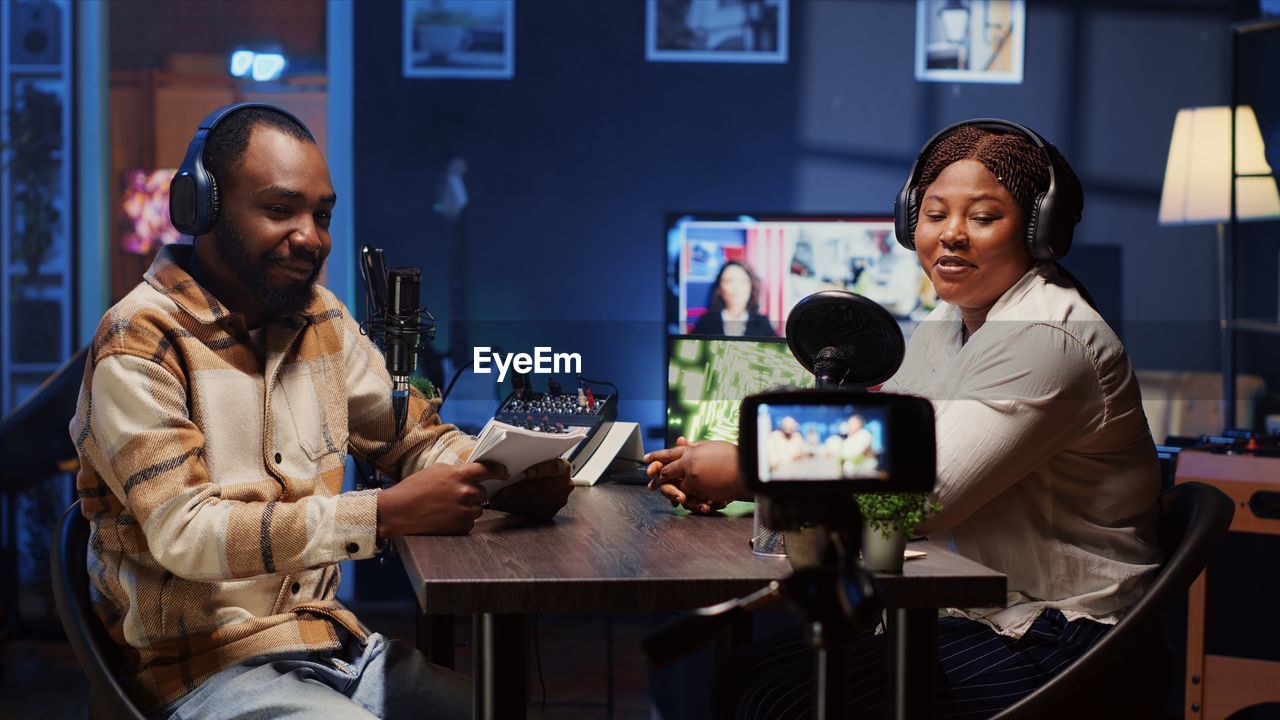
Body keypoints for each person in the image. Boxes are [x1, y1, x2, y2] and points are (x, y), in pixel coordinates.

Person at [69, 104, 573, 719]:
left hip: (334, 649)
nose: (312, 236)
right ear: (202, 207)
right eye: (281, 210)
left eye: (322, 215)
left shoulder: (320, 320)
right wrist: (383, 514)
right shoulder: (140, 342)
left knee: (503, 712)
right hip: (201, 673)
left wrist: (501, 477)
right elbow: (187, 533)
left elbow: (410, 437)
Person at [645, 120, 1161, 718]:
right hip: (971, 610)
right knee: (746, 673)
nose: (952, 236)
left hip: (1060, 634)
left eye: (984, 217)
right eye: (936, 214)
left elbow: (918, 498)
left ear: (1040, 229)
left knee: (778, 698)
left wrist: (749, 470)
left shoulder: (1047, 336)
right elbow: (884, 443)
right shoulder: (950, 319)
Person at [691, 260, 777, 337]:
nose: (736, 287)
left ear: (751, 287)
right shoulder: (706, 322)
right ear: (719, 289)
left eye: (742, 281)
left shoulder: (762, 323)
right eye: (729, 281)